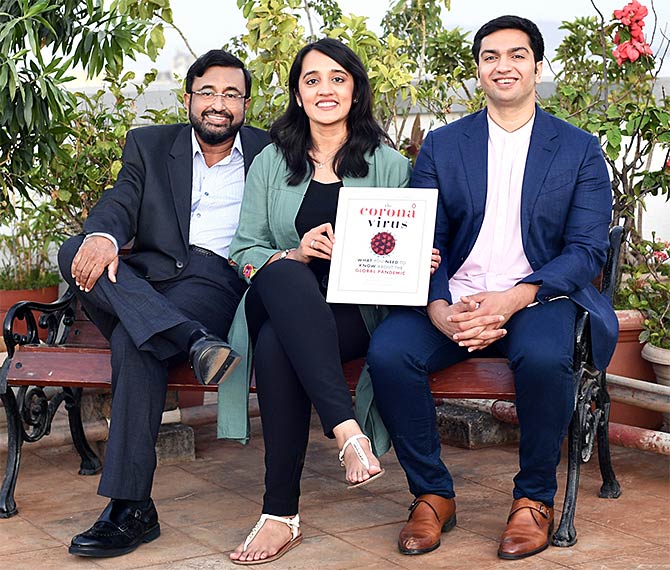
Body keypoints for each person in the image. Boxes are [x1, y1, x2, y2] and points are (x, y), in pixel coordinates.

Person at [367, 15, 617, 561]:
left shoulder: (577, 149)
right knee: (388, 353)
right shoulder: (443, 144)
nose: (503, 66)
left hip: (539, 296)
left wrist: (515, 296)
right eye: (490, 56)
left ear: (537, 65)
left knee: (548, 358)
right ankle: (432, 494)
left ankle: (532, 500)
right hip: (456, 295)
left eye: (516, 54)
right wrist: (436, 304)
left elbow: (585, 250)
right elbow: (423, 232)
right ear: (479, 68)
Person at [223, 38, 436, 565]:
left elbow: (402, 244)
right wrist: (296, 250)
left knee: (277, 346)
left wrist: (417, 259)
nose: (325, 89)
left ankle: (280, 515)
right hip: (275, 294)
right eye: (312, 79)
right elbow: (243, 249)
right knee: (288, 277)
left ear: (355, 89)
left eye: (337, 78)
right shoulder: (272, 161)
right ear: (298, 94)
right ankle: (346, 430)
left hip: (349, 313)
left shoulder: (387, 163)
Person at [59, 49, 270, 558]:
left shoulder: (270, 151)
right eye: (208, 92)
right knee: (76, 250)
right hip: (146, 277)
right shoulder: (150, 144)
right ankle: (192, 341)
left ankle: (130, 507)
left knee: (137, 340)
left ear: (245, 104)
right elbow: (120, 200)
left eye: (231, 94)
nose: (218, 104)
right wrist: (105, 236)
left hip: (215, 279)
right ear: (188, 98)